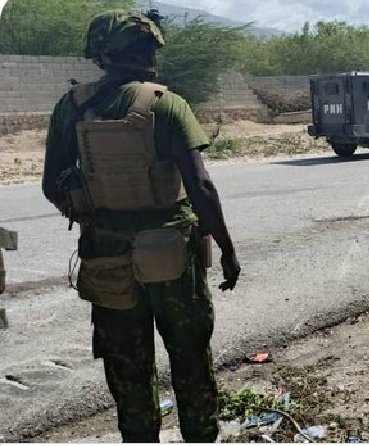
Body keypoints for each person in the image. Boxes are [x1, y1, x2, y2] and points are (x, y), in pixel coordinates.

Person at [41, 10, 241, 442]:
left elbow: (50, 183)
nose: (151, 54)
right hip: (171, 258)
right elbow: (201, 186)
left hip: (107, 257)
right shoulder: (165, 103)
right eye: (146, 46)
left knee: (128, 370)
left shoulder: (72, 107)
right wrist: (226, 247)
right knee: (190, 361)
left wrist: (92, 213)